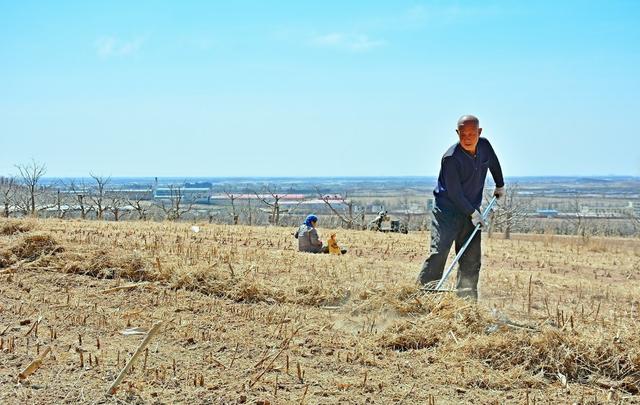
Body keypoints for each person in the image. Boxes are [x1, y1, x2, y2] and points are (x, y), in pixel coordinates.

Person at [418, 115, 505, 300]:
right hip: (446, 213)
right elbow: (455, 194)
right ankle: (422, 297)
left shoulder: (485, 146)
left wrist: (500, 184)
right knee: (438, 253)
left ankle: (466, 303)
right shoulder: (451, 158)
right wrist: (473, 213)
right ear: (457, 133)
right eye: (463, 134)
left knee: (471, 259)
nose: (467, 138)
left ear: (479, 132)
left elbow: (494, 163)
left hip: (471, 212)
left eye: (472, 133)